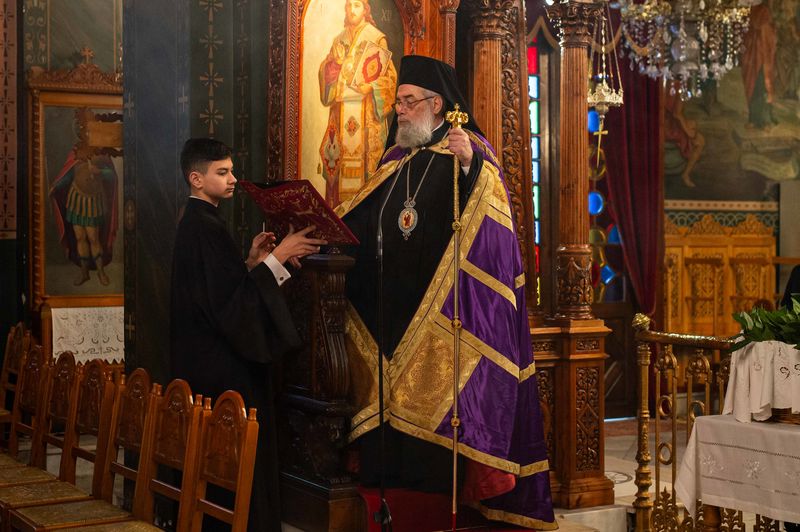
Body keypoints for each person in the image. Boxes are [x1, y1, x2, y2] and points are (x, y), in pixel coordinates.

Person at [336, 55, 556, 530]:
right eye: (398, 102)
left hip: (443, 310)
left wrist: (471, 165)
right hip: (389, 306)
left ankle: (434, 487)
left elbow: (493, 227)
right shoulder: (396, 159)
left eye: (408, 101)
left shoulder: (469, 152)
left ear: (436, 104)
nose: (399, 110)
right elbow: (364, 215)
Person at [170, 138, 326, 532]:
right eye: (222, 172)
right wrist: (279, 257)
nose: (233, 179)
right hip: (223, 368)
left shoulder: (198, 221)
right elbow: (230, 308)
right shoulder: (203, 226)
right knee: (237, 465)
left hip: (205, 362)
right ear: (196, 178)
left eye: (232, 170)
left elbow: (219, 291)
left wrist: (253, 263)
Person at [318, 0, 397, 207]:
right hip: (341, 114)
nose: (352, 10)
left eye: (357, 5)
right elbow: (327, 77)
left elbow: (390, 79)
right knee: (339, 167)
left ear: (365, 9)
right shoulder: (338, 40)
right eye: (349, 6)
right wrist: (333, 67)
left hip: (367, 117)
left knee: (368, 175)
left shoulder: (376, 37)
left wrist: (371, 87)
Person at [49, 147, 119, 286]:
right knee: (80, 237)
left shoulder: (101, 150)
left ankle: (101, 272)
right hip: (76, 200)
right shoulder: (76, 151)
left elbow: (112, 176)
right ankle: (84, 273)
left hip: (93, 202)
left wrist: (100, 172)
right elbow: (69, 175)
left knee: (93, 238)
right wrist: (55, 187)